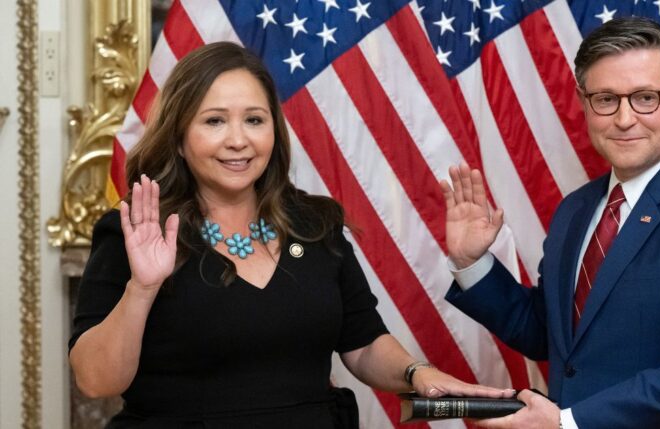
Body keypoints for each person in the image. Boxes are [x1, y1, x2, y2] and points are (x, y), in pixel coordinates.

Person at [69, 41, 512, 428]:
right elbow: (95, 380)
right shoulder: (134, 230)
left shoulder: (315, 224)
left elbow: (363, 343)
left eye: (255, 120)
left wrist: (417, 372)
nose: (238, 140)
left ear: (274, 133)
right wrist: (142, 289)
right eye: (215, 121)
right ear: (180, 138)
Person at [442, 17, 660, 429]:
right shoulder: (576, 210)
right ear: (584, 102)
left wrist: (568, 423)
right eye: (605, 99)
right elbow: (550, 336)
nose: (624, 118)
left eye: (645, 97)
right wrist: (472, 262)